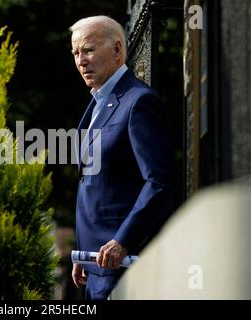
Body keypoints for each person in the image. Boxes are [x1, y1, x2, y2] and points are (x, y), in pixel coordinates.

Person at [70, 16, 175, 300]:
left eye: (89, 50)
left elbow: (159, 181)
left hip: (123, 265)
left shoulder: (139, 101)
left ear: (117, 50)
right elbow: (94, 185)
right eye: (76, 53)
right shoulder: (97, 104)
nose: (81, 60)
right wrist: (83, 252)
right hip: (95, 266)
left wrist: (123, 241)